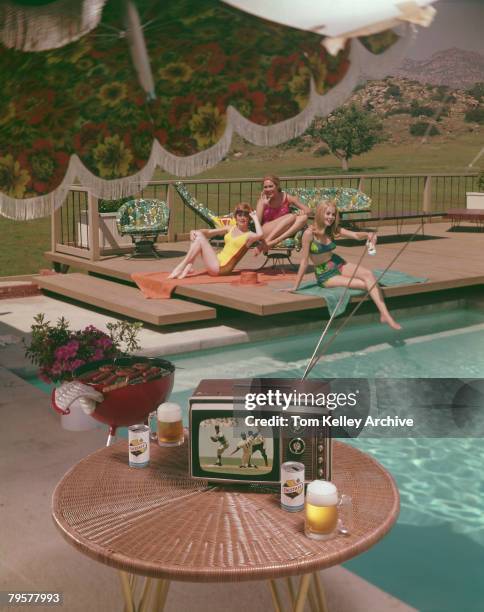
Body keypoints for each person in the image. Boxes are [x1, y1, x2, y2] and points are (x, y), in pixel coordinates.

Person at [286, 200, 402, 330]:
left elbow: (355, 235)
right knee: (366, 284)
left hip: (338, 263)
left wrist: (368, 234)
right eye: (328, 213)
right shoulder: (309, 234)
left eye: (333, 214)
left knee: (369, 275)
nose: (331, 217)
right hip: (326, 275)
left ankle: (385, 314)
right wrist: (295, 286)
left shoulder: (333, 230)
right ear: (319, 214)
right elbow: (304, 261)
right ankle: (384, 312)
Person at [168, 203, 263, 279]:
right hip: (215, 262)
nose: (242, 218)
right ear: (235, 217)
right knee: (197, 235)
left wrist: (255, 218)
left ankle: (183, 265)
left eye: (245, 215)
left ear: (249, 218)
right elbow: (209, 232)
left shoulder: (249, 236)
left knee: (200, 237)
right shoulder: (231, 228)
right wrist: (193, 231)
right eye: (240, 215)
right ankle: (187, 266)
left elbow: (260, 235)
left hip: (222, 269)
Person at [256, 175, 311, 251]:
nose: (268, 189)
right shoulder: (262, 201)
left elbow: (308, 210)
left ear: (277, 186)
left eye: (271, 186)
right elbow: (257, 223)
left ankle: (272, 242)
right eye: (265, 187)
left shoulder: (286, 197)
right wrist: (263, 204)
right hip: (266, 231)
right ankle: (267, 241)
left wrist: (301, 212)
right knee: (291, 217)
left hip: (282, 230)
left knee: (304, 218)